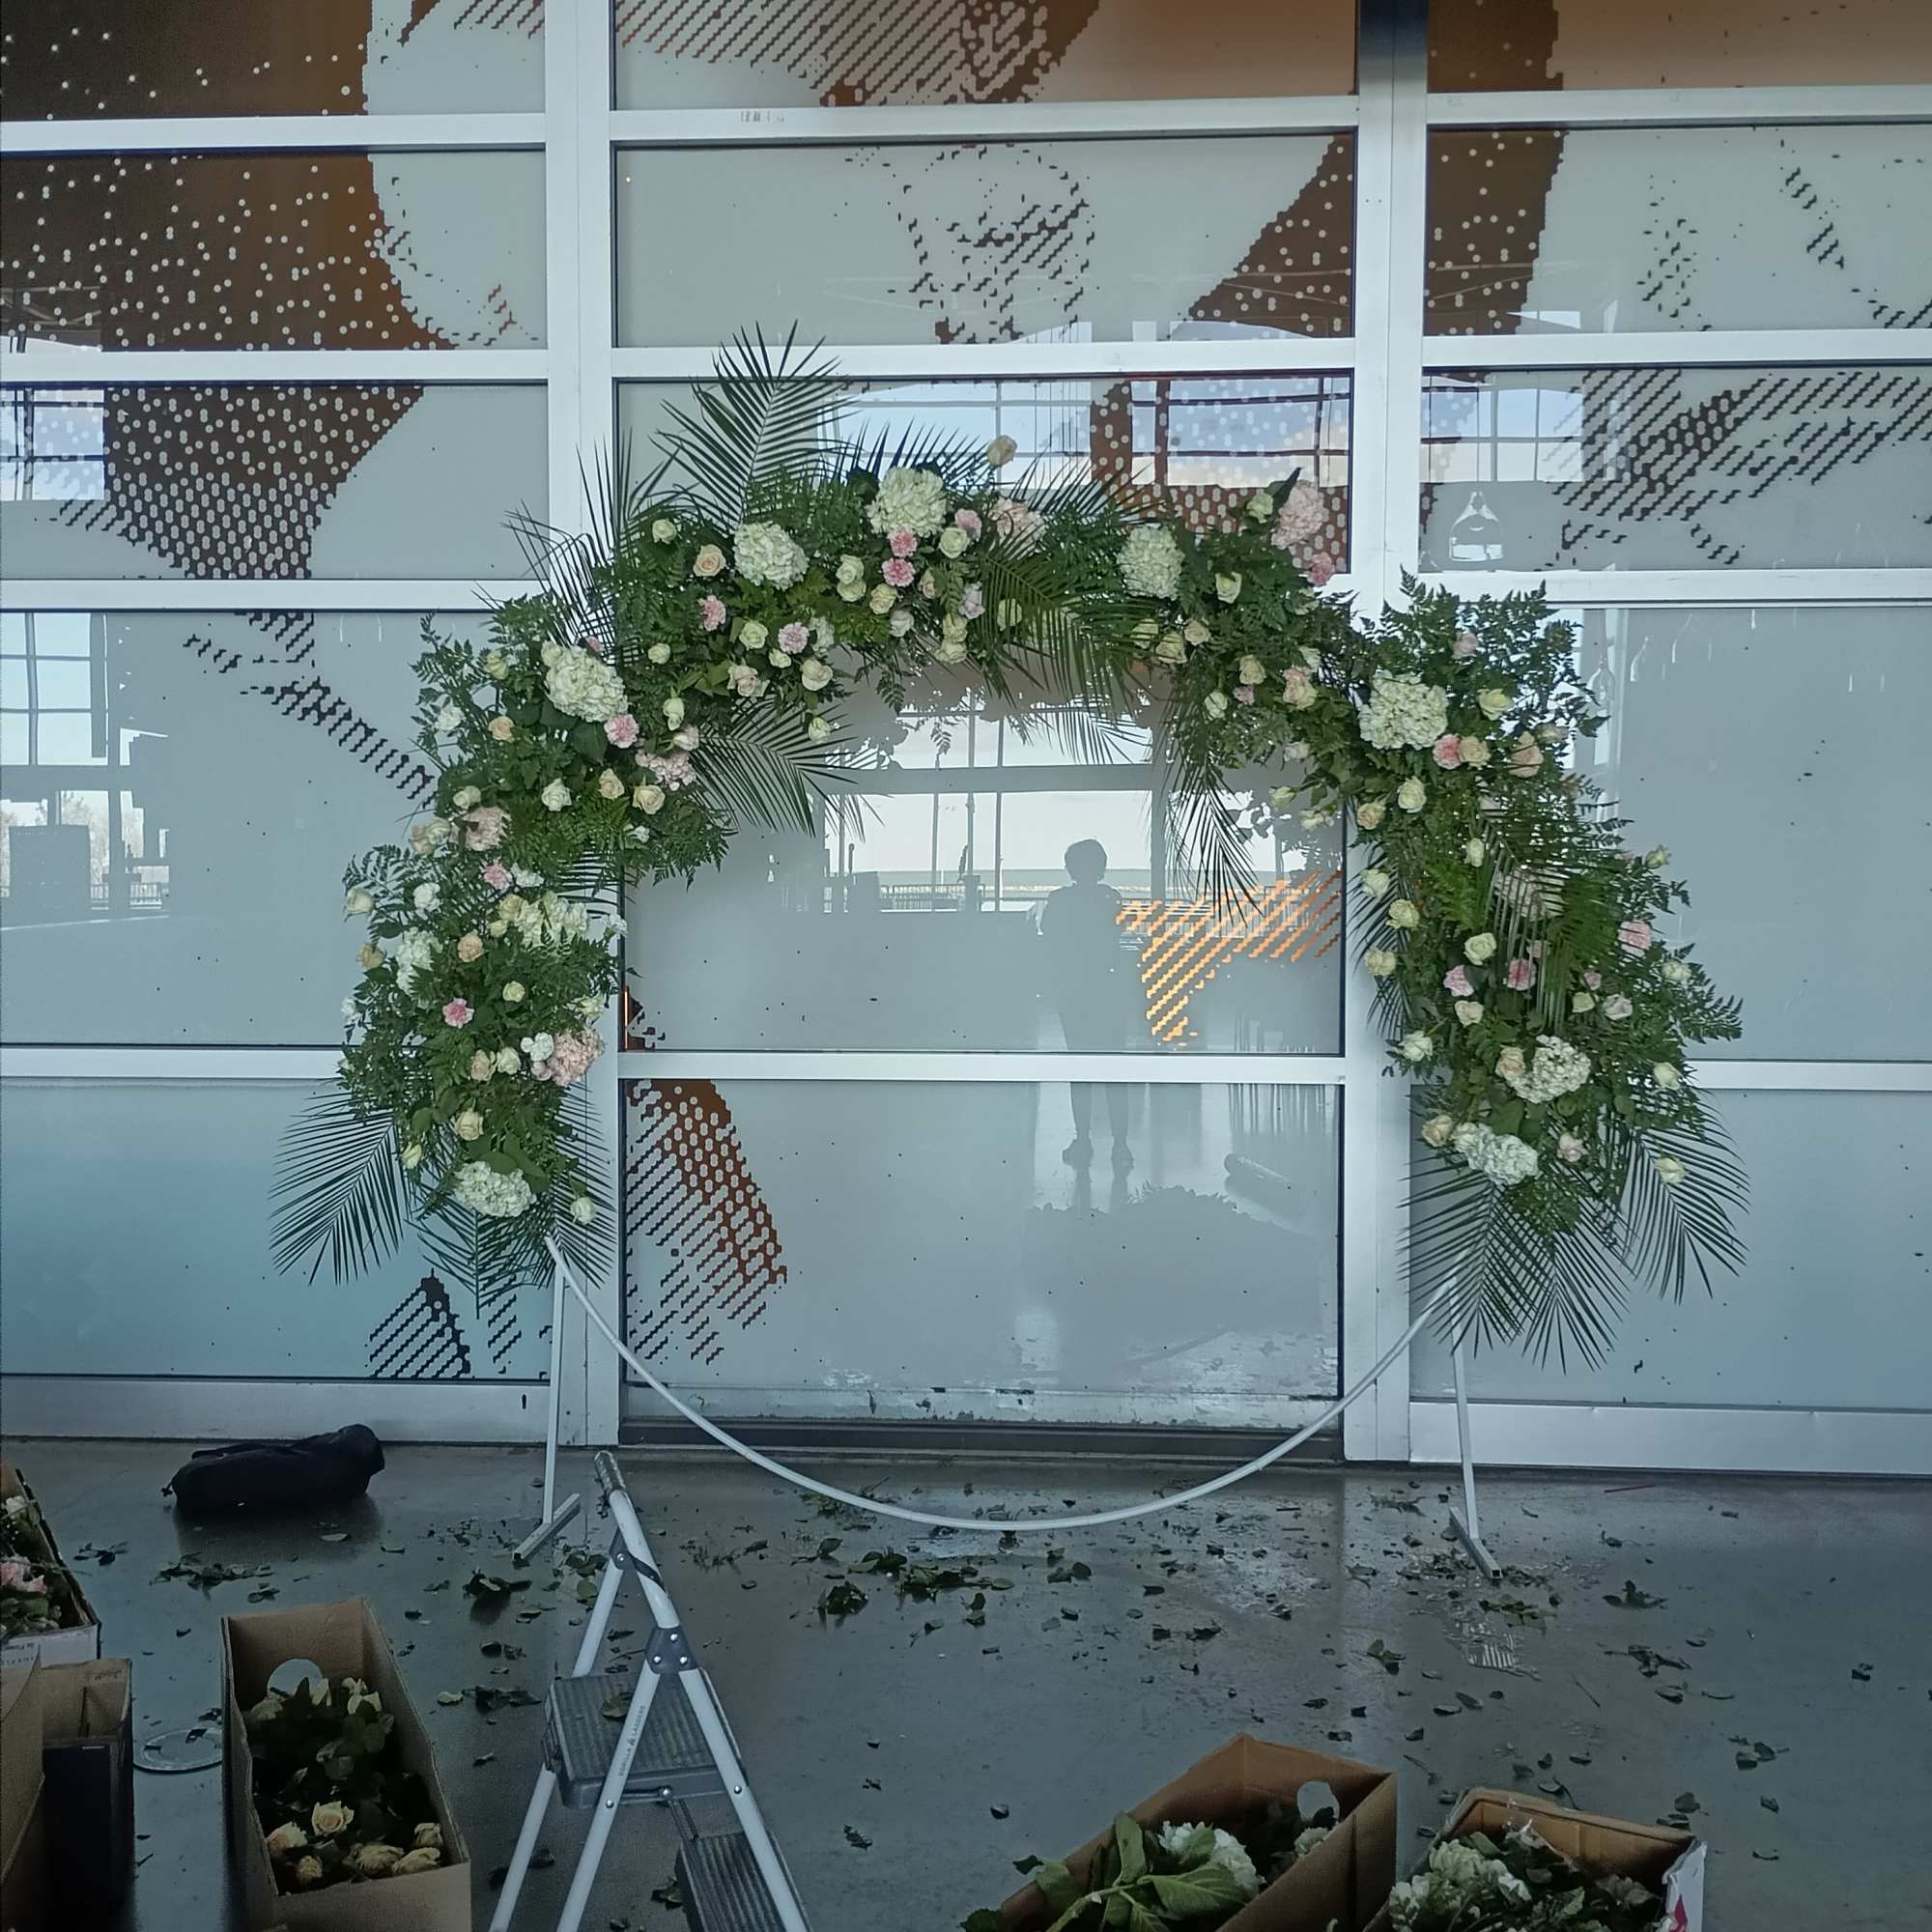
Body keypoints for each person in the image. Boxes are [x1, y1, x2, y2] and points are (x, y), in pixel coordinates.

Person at [1039, 838, 1138, 1170]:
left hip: (1074, 991)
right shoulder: (1111, 898)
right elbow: (1121, 929)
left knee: (1079, 1066)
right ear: (1101, 866)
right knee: (1115, 1065)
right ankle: (1121, 1145)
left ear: (1070, 867)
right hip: (1108, 989)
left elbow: (1048, 936)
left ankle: (1083, 1138)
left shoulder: (1059, 900)